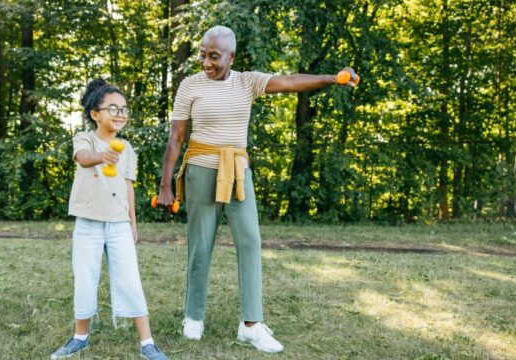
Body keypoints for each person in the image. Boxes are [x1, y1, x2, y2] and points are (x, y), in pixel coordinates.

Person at [156, 25, 358, 353]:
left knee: (250, 240)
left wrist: (332, 79)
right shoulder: (189, 85)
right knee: (200, 246)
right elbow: (177, 136)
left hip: (238, 172)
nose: (205, 62)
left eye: (214, 56)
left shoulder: (247, 81)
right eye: (202, 54)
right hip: (201, 171)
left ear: (231, 56)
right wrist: (166, 185)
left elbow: (291, 82)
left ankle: (250, 325)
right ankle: (193, 317)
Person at [51, 79, 168, 360]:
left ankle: (147, 343)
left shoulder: (126, 148)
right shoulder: (85, 139)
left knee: (130, 280)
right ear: (95, 114)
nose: (120, 114)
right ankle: (80, 337)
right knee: (85, 279)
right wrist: (102, 155)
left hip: (118, 225)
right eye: (113, 108)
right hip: (88, 224)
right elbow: (83, 158)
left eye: (124, 109)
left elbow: (128, 186)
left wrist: (133, 223)